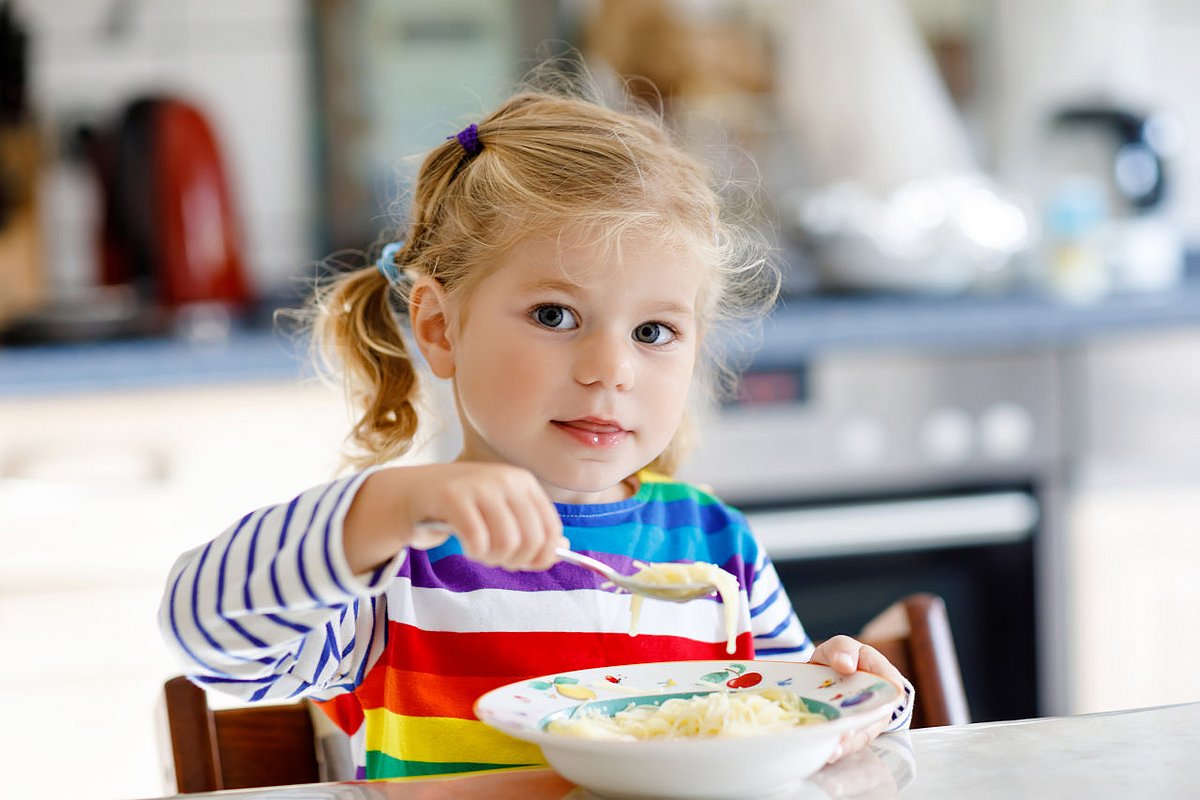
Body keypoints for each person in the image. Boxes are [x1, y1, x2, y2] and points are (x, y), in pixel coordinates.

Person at [159, 80, 912, 782]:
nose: (610, 370)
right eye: (556, 316)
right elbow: (204, 634)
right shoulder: (397, 570)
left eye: (653, 330)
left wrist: (854, 695)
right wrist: (382, 510)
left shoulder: (718, 550)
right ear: (438, 326)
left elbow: (799, 735)